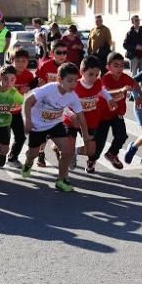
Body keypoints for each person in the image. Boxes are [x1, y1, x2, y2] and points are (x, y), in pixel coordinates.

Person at [21, 62, 91, 192]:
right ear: (59, 79)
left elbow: (81, 116)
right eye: (70, 81)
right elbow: (28, 101)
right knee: (33, 154)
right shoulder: (49, 89)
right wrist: (28, 121)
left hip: (55, 124)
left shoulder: (72, 96)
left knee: (68, 151)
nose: (73, 84)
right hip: (38, 126)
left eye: (76, 81)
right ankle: (28, 162)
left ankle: (61, 180)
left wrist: (86, 135)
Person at [64, 56, 115, 173]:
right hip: (72, 120)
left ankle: (74, 152)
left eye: (97, 74)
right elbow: (63, 104)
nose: (94, 78)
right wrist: (70, 113)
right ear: (82, 72)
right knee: (68, 147)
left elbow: (101, 89)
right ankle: (68, 152)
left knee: (91, 152)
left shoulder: (97, 82)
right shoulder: (74, 85)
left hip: (90, 120)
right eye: (91, 74)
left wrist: (109, 99)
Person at [93, 52, 141, 170]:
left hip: (117, 114)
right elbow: (107, 93)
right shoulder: (105, 78)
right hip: (102, 115)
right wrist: (121, 90)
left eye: (121, 65)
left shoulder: (125, 78)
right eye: (116, 65)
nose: (120, 68)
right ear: (108, 67)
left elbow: (135, 84)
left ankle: (112, 154)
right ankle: (91, 160)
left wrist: (140, 98)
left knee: (122, 136)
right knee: (99, 143)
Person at [5, 49, 37, 165]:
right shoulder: (6, 73)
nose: (20, 64)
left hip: (16, 112)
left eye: (23, 61)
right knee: (1, 138)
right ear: (11, 61)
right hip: (3, 112)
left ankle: (12, 158)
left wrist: (29, 87)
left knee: (21, 137)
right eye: (17, 61)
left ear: (28, 62)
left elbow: (35, 83)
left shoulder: (28, 75)